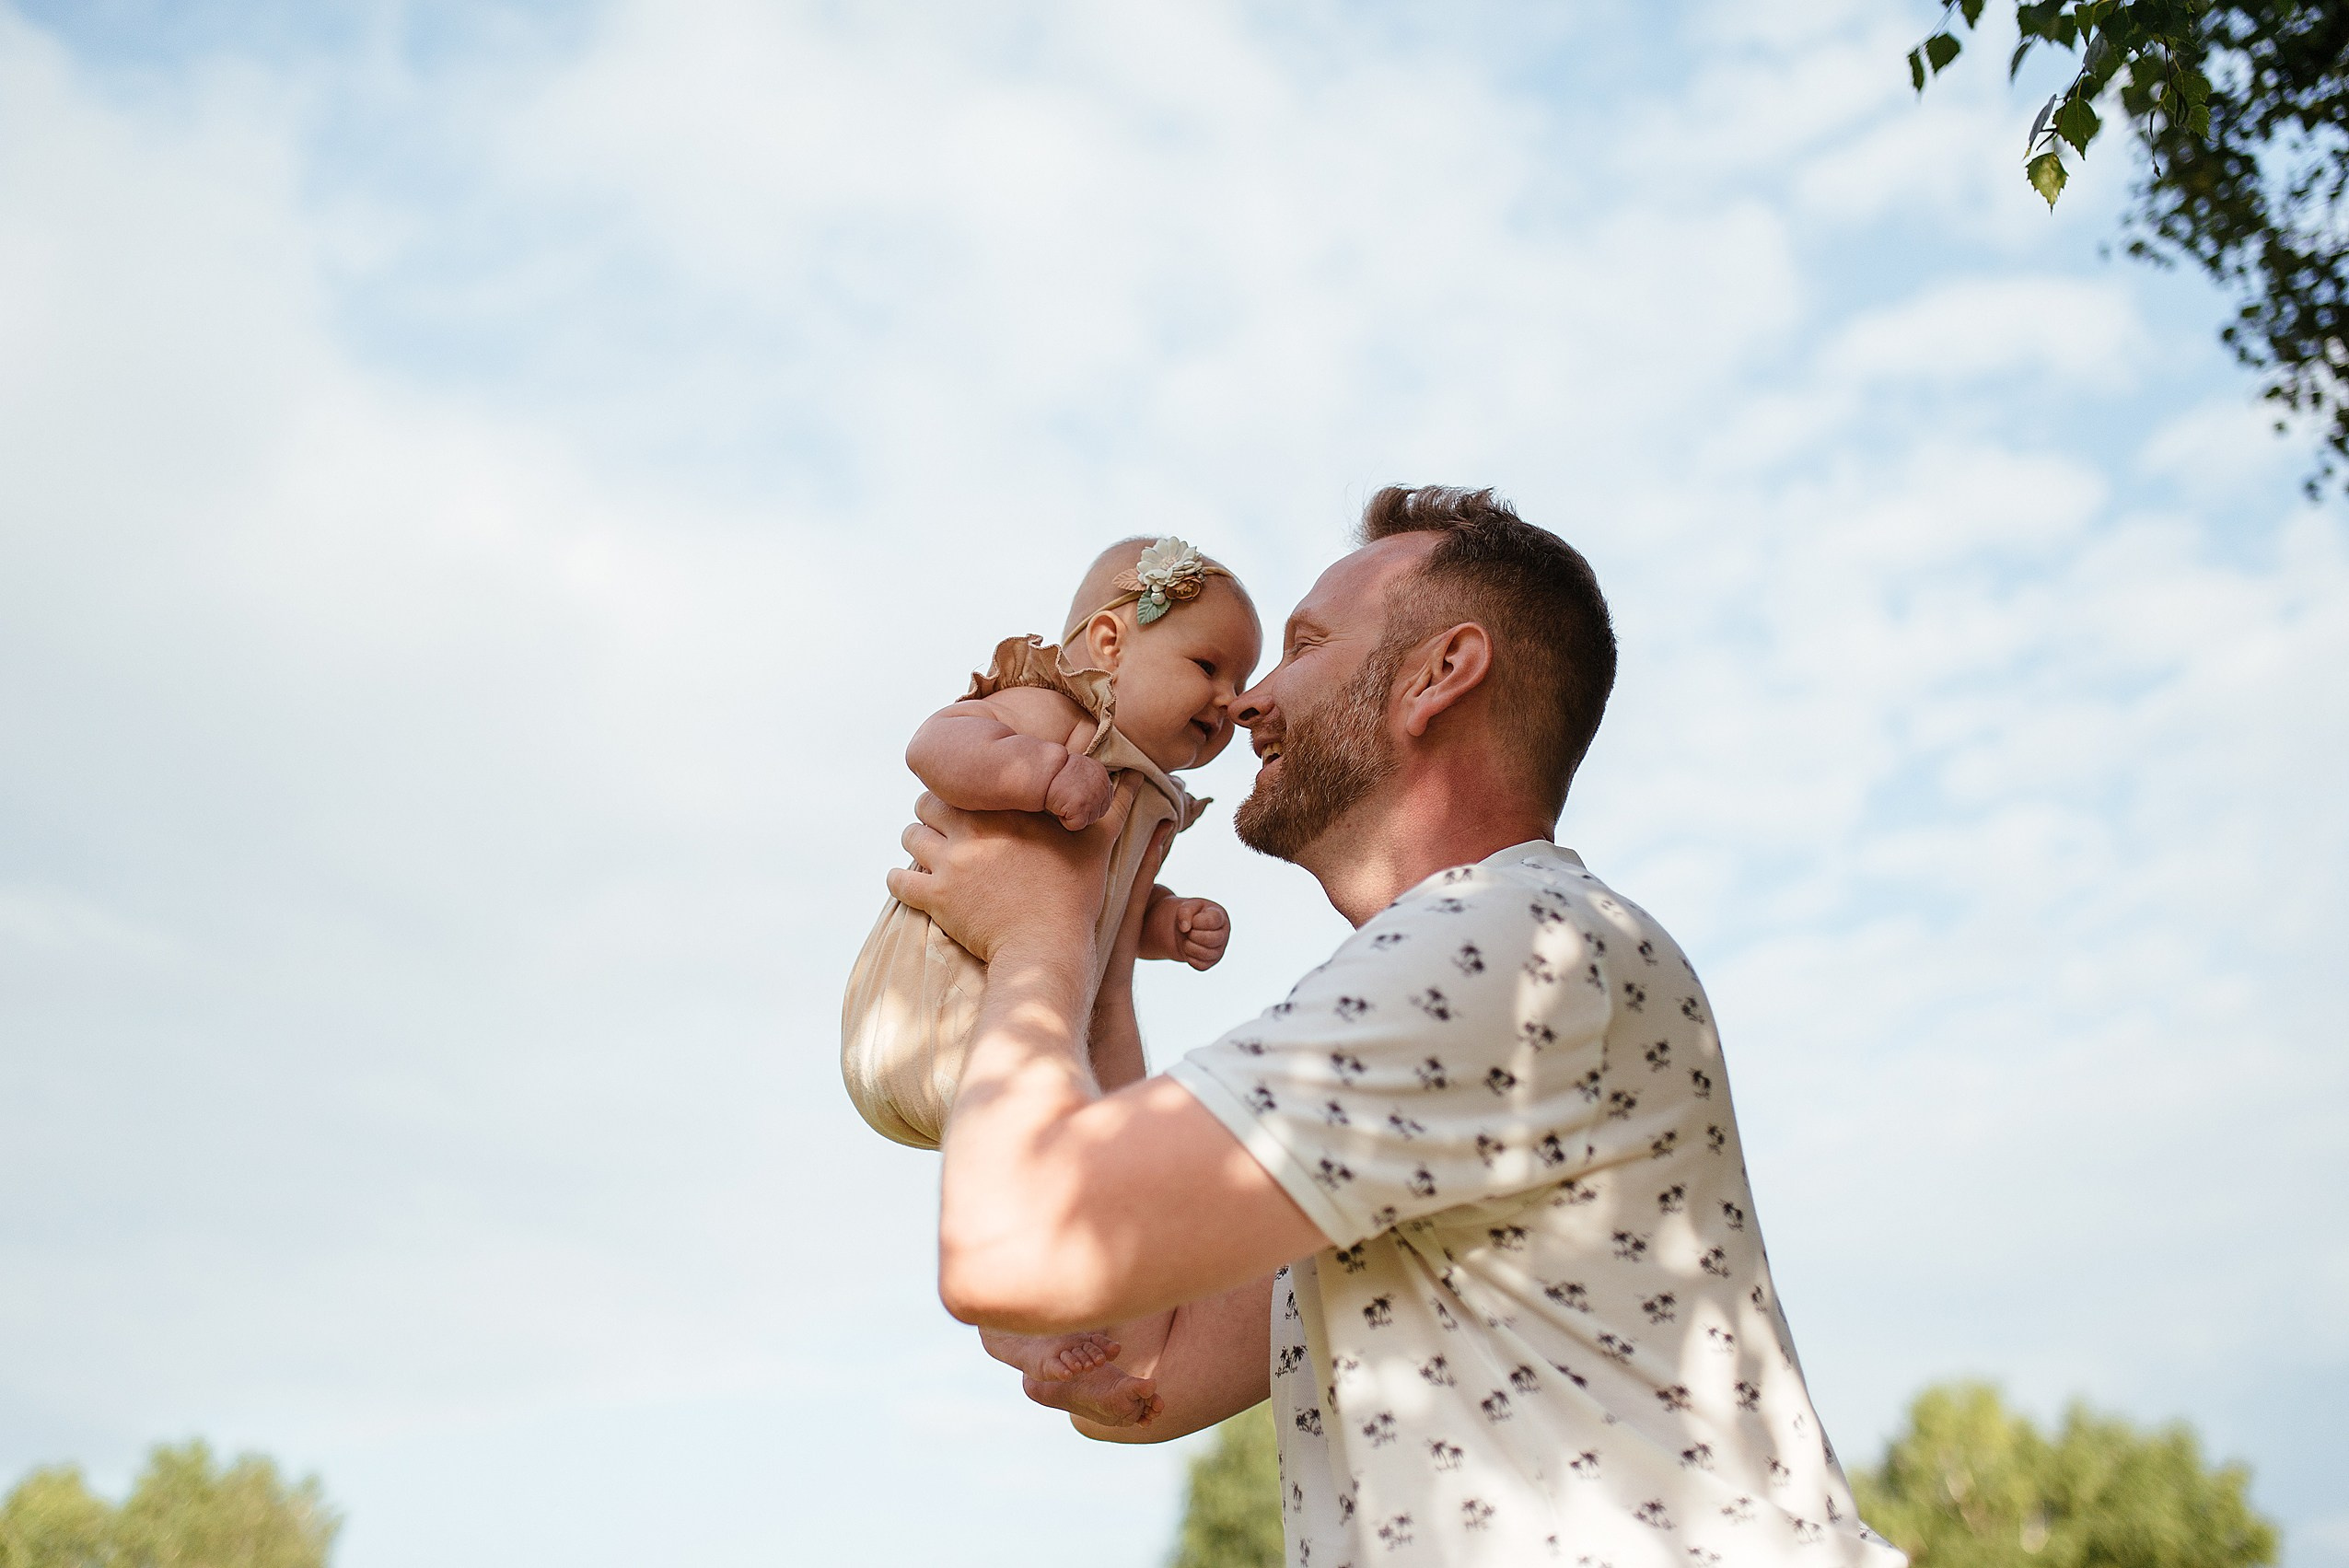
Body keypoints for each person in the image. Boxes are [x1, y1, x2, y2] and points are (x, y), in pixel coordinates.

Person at [888, 487, 1906, 1567]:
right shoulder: (1465, 1004)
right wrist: (1093, 936)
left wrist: (1033, 937)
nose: (1249, 701)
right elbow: (1142, 1355)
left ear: (1439, 673)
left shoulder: (1505, 947)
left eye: (1303, 646)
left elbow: (1019, 1244)